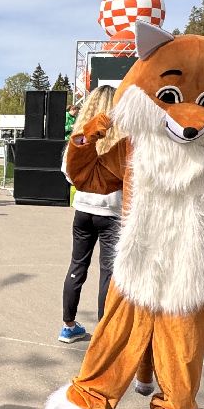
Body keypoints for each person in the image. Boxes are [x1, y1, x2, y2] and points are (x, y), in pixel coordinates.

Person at [58, 85, 121, 345]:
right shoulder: (121, 139)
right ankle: (104, 330)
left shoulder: (80, 136)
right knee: (109, 272)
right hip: (113, 211)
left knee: (77, 265)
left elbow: (68, 172)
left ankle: (68, 324)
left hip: (84, 209)